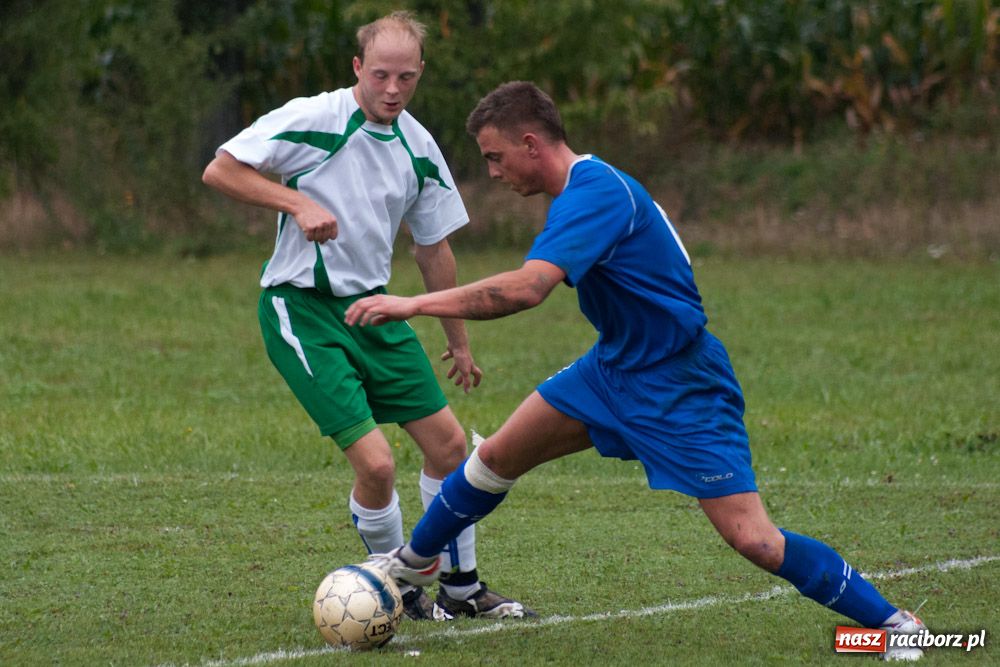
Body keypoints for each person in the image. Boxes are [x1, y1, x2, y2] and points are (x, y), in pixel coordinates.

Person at [346, 81, 928, 659]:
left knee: (755, 540)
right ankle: (414, 564)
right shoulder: (582, 190)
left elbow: (526, 290)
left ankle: (894, 624)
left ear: (531, 143)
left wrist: (413, 303)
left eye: (495, 158)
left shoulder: (595, 194)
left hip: (680, 383)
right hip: (613, 368)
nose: (493, 173)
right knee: (496, 456)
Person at [201, 12, 531, 621]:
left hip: (374, 312)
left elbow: (433, 249)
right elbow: (221, 168)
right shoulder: (316, 117)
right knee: (377, 465)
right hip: (300, 310)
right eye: (380, 74)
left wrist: (458, 342)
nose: (392, 89)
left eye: (406, 77)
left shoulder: (419, 146)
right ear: (358, 67)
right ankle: (401, 590)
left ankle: (461, 590)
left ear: (420, 74)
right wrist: (295, 201)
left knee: (452, 447)